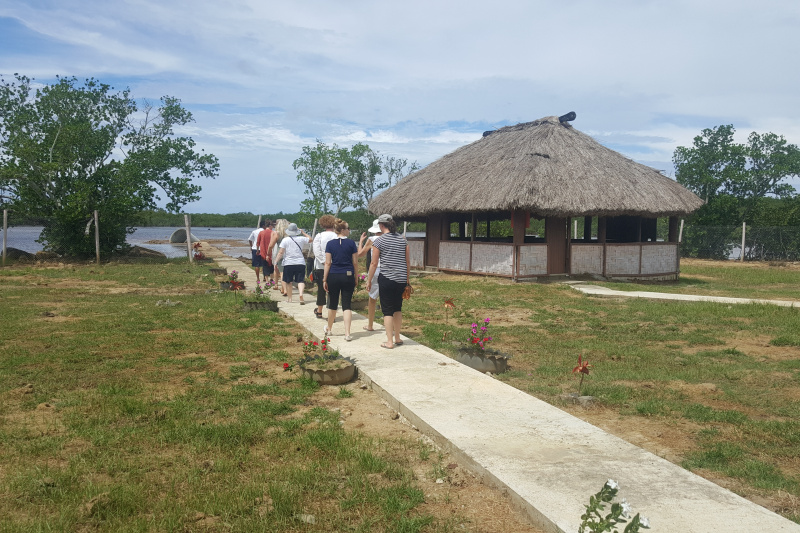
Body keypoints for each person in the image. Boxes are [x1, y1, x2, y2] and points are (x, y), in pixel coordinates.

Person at [367, 214, 409, 349]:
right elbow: (407, 262)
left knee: (387, 310)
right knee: (398, 308)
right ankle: (397, 337)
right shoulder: (403, 240)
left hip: (387, 278)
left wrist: (368, 281)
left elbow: (373, 263)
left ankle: (389, 341)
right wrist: (407, 280)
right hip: (401, 279)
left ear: (381, 225)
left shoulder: (379, 241)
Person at [323, 218, 358, 340]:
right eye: (348, 228)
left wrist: (324, 279)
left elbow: (327, 263)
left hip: (333, 275)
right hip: (348, 275)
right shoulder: (352, 243)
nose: (349, 231)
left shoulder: (330, 244)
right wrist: (356, 276)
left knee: (333, 303)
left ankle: (329, 328)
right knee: (346, 305)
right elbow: (355, 263)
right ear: (343, 230)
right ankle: (347, 333)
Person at [274, 222, 311, 304]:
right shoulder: (301, 238)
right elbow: (310, 239)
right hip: (300, 262)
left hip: (289, 263)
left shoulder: (285, 240)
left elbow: (280, 252)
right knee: (300, 281)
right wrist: (303, 232)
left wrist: (276, 261)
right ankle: (301, 294)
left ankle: (290, 299)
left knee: (288, 281)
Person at [357, 219, 382, 331]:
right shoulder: (392, 238)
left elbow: (360, 254)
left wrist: (361, 241)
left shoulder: (372, 239)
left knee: (372, 298)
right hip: (389, 270)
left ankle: (370, 325)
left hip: (375, 269)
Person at [312, 214, 337, 319]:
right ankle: (332, 313)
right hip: (334, 267)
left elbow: (316, 251)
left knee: (321, 290)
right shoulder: (336, 236)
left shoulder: (319, 236)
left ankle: (319, 311)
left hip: (321, 267)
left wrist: (324, 262)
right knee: (333, 291)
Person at [271, 219, 289, 295]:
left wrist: (268, 253)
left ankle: (283, 288)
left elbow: (271, 245)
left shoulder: (276, 233)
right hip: (288, 253)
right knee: (285, 272)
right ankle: (283, 288)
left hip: (279, 252)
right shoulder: (288, 234)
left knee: (279, 271)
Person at [257, 218, 275, 282]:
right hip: (272, 252)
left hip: (263, 252)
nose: (273, 227)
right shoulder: (273, 233)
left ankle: (267, 280)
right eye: (272, 226)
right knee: (272, 266)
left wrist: (257, 250)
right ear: (270, 226)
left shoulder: (261, 233)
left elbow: (258, 243)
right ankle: (272, 279)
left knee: (265, 266)